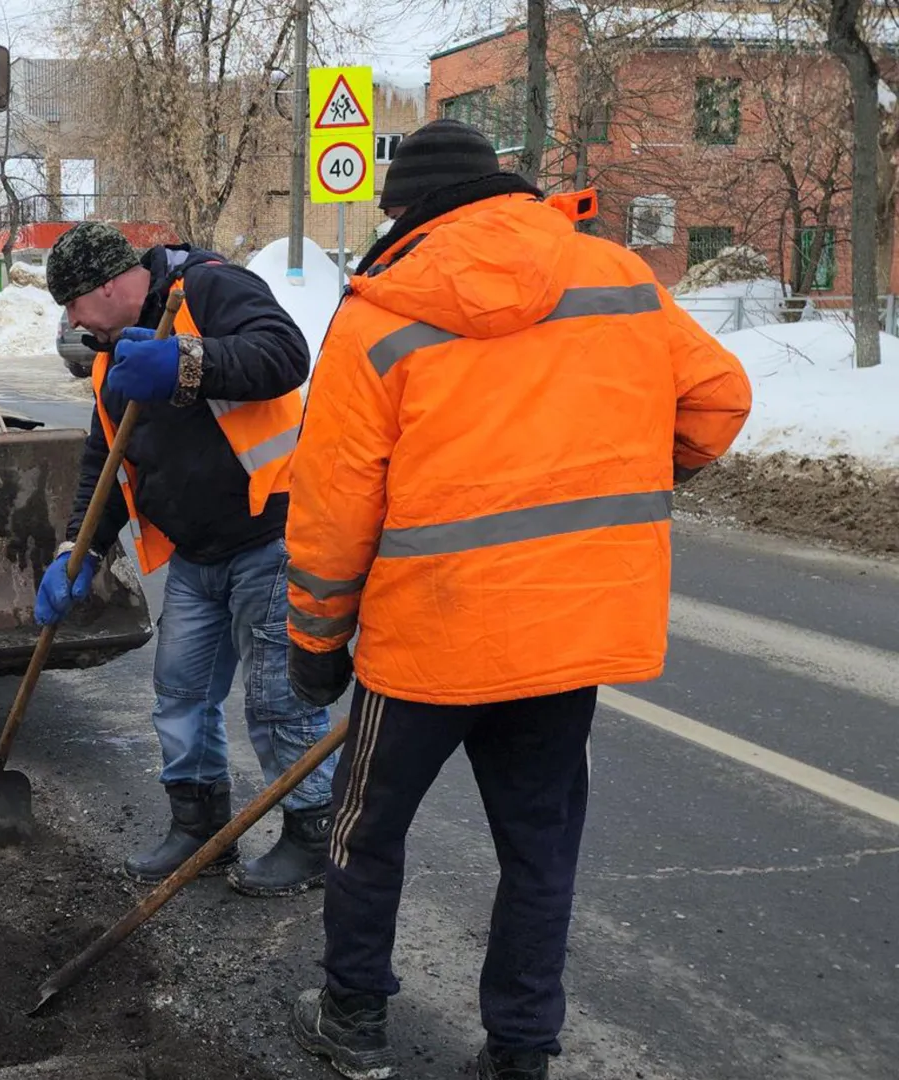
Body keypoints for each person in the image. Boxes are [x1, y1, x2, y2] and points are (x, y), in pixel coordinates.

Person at [282, 119, 752, 1080]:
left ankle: (354, 1021)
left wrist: (316, 643)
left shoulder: (377, 314)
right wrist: (634, 467)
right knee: (539, 851)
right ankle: (522, 1052)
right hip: (567, 634)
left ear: (403, 213)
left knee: (365, 832)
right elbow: (716, 403)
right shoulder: (620, 275)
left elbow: (333, 506)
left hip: (428, 640)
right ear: (505, 191)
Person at [36, 221, 338, 893]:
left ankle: (314, 836)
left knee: (277, 702)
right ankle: (197, 824)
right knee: (180, 692)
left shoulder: (207, 287)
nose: (73, 320)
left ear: (109, 287)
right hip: (196, 558)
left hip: (271, 536)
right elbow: (105, 460)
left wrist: (184, 362)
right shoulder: (113, 355)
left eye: (75, 304)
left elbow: (285, 355)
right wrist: (76, 550)